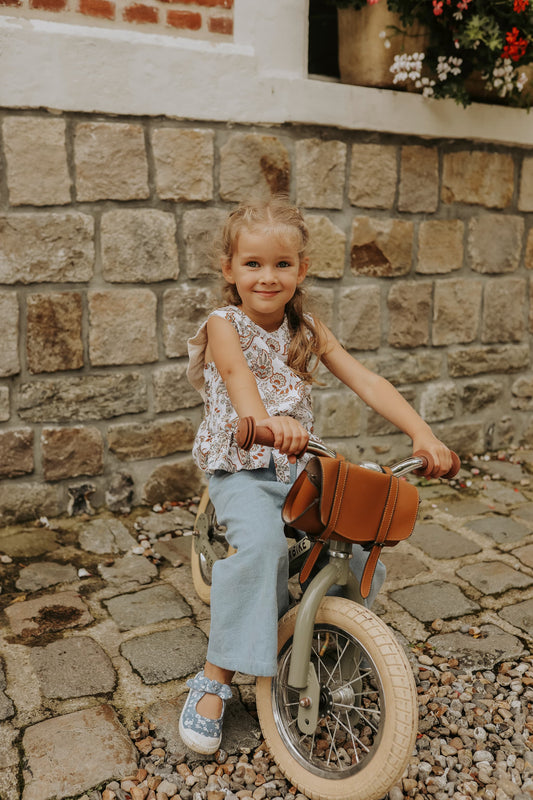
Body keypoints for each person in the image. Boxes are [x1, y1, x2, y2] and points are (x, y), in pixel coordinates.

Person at [181, 196, 453, 755]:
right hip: (244, 467)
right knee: (261, 553)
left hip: (300, 468)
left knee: (358, 550)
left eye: (282, 264)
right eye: (252, 264)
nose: (267, 276)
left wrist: (423, 434)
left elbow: (370, 382)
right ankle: (215, 679)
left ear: (301, 270)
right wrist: (265, 421)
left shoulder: (308, 328)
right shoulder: (223, 323)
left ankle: (333, 637)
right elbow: (236, 376)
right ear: (229, 270)